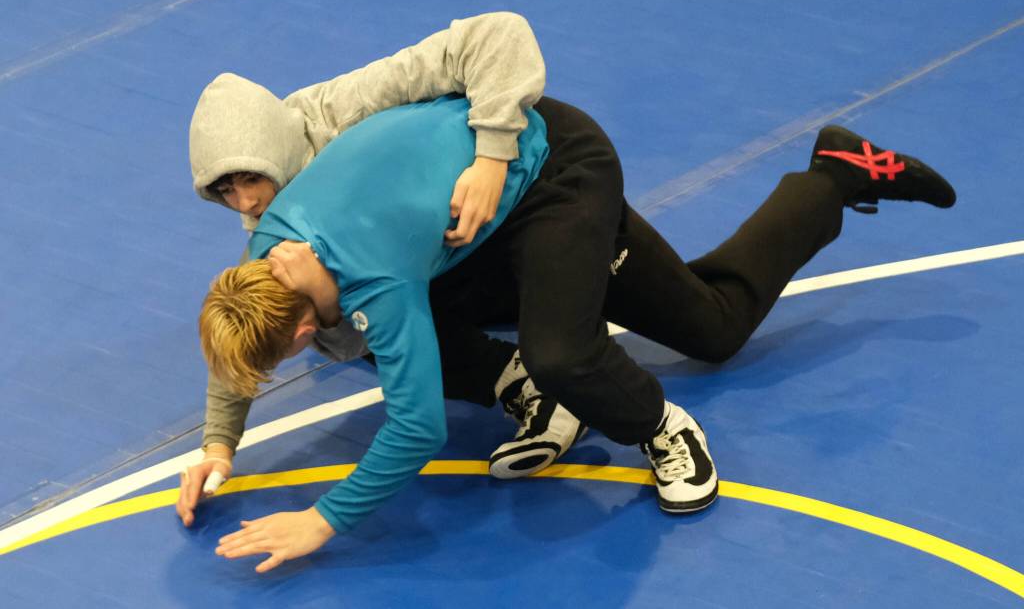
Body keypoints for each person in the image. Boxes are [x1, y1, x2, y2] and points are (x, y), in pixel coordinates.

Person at [198, 93, 956, 573]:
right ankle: (835, 171)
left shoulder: (373, 278)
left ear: (299, 332)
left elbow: (418, 425)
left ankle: (662, 427)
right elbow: (237, 338)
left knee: (563, 353)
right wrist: (218, 444)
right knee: (713, 324)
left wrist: (320, 520)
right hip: (480, 227)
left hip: (556, 170)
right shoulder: (266, 257)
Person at [177, 12, 587, 529]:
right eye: (225, 192)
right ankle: (514, 377)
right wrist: (218, 446)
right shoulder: (277, 235)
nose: (247, 202)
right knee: (352, 322)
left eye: (248, 181)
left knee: (699, 329)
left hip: (524, 183)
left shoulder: (344, 111)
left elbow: (496, 33)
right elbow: (239, 328)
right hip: (432, 245)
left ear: (273, 151)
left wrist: (492, 156)